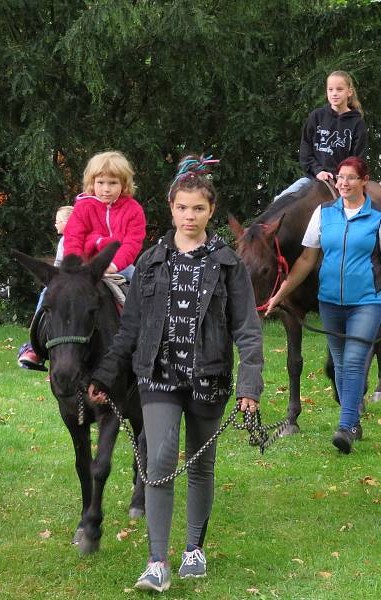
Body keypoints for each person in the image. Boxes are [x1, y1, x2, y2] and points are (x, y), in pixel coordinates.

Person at [87, 156, 264, 593]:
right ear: (171, 208)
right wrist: (106, 375)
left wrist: (249, 386)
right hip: (159, 378)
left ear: (210, 212)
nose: (190, 216)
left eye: (198, 209)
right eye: (183, 208)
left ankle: (194, 550)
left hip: (210, 380)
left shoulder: (227, 263)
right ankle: (156, 562)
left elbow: (246, 328)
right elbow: (130, 329)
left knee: (201, 468)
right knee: (160, 463)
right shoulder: (150, 261)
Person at [265, 156, 381, 455]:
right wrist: (280, 293)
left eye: (351, 177)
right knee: (339, 366)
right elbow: (305, 260)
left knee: (353, 362)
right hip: (330, 301)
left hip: (367, 301)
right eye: (340, 177)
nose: (343, 182)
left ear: (364, 181)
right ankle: (353, 420)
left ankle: (345, 427)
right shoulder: (324, 213)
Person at [275, 70, 367, 199]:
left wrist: (342, 177)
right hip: (313, 179)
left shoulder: (357, 123)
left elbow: (358, 159)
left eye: (339, 89)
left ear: (349, 92)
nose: (334, 93)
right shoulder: (316, 116)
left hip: (343, 183)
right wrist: (318, 171)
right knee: (279, 200)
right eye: (330, 90)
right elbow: (305, 150)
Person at [62, 150, 146, 280]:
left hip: (119, 266)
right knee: (51, 290)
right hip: (85, 265)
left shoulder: (133, 210)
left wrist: (113, 265)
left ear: (123, 184)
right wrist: (74, 263)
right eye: (100, 182)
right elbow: (73, 237)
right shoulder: (83, 207)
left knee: (143, 287)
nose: (106, 189)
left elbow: (132, 243)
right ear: (92, 183)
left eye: (113, 183)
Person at [17, 205, 73, 370]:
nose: (55, 225)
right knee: (47, 292)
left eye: (58, 221)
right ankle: (36, 345)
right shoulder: (64, 241)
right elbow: (57, 268)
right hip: (66, 281)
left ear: (69, 222)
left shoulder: (84, 237)